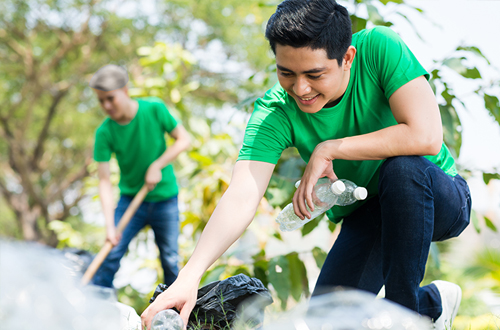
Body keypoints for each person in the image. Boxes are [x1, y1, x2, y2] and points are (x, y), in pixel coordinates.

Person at [141, 1, 471, 329]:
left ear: (347, 58)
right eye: (287, 73)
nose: (301, 89)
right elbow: (242, 194)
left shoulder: (379, 47)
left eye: (315, 74)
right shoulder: (275, 111)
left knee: (401, 170)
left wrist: (329, 149)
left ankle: (405, 317)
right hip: (369, 215)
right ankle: (433, 303)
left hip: (436, 194)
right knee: (326, 324)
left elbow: (425, 135)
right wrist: (188, 276)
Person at [89, 64, 190, 288]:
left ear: (125, 90)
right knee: (110, 257)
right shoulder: (104, 132)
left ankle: (173, 317)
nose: (106, 105)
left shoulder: (154, 109)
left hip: (165, 199)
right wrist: (109, 226)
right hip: (130, 201)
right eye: (101, 100)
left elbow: (183, 140)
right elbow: (104, 181)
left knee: (170, 261)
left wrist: (157, 164)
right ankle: (97, 311)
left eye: (110, 98)